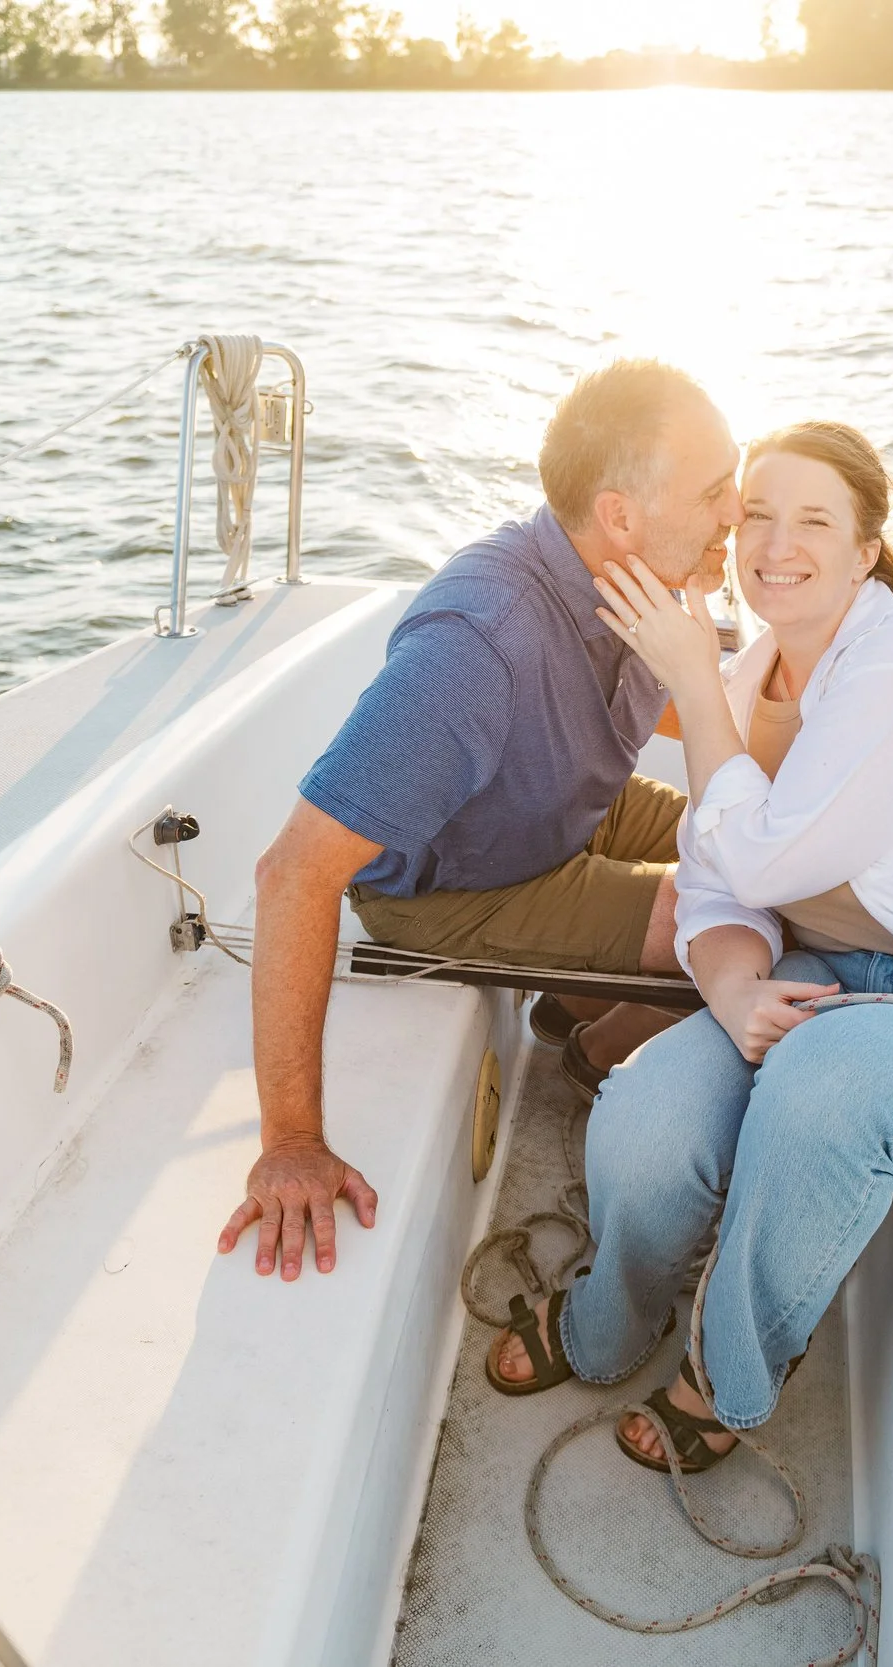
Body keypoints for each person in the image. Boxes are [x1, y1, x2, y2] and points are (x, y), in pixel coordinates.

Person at [484, 421, 893, 1472]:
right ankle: (607, 1319)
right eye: (754, 514)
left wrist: (693, 685)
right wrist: (739, 984)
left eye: (813, 521)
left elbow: (762, 855)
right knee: (649, 1116)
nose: (774, 543)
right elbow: (711, 888)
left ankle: (730, 1376)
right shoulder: (755, 677)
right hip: (838, 982)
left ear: (863, 549)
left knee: (820, 1085)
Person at [219, 359, 742, 1284]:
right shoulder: (478, 647)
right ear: (620, 515)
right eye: (715, 492)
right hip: (459, 886)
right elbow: (293, 874)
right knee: (732, 920)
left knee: (752, 841)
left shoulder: (635, 576)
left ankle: (574, 1011)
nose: (736, 513)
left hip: (568, 806)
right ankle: (596, 1050)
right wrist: (291, 1140)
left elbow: (684, 709)